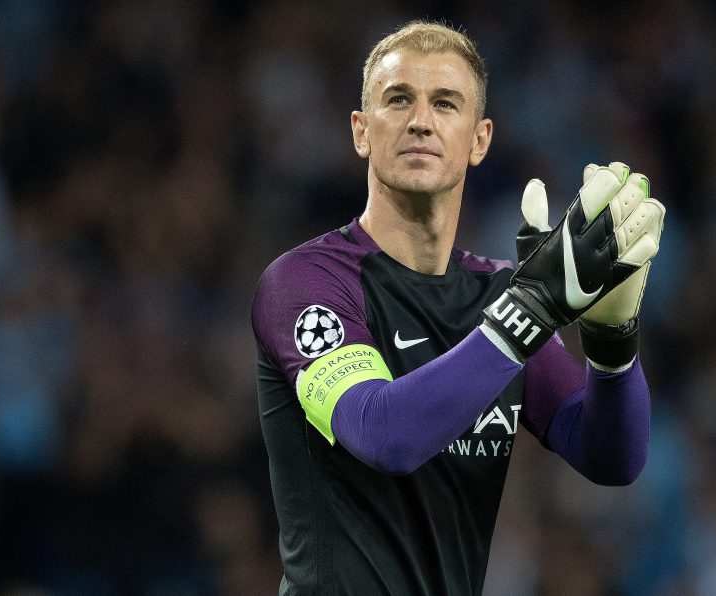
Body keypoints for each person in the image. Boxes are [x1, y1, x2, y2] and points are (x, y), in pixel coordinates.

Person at [251, 20, 665, 595]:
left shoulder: (498, 296)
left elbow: (612, 457)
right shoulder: (306, 283)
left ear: (480, 139)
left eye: (445, 103)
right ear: (361, 131)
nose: (420, 119)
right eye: (398, 100)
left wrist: (612, 338)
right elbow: (383, 435)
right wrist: (534, 306)